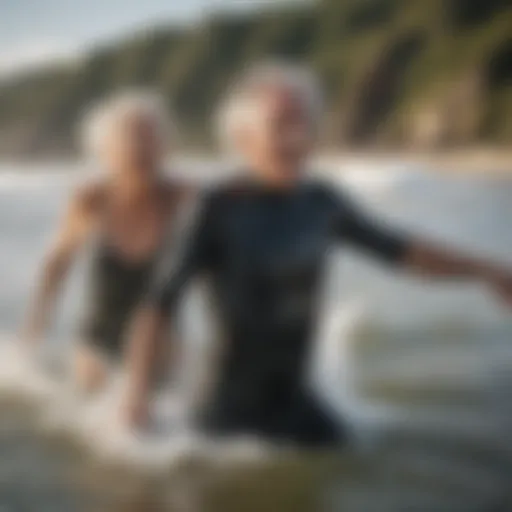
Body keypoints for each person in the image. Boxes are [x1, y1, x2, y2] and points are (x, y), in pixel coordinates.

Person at [121, 63, 512, 447]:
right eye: (280, 125)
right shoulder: (214, 208)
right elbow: (158, 303)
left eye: (303, 123)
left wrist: (484, 269)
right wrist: (137, 395)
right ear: (243, 139)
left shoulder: (322, 203)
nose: (295, 137)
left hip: (297, 407)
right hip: (226, 417)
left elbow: (402, 251)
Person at [21, 91, 190, 392]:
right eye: (130, 137)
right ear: (105, 149)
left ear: (165, 145)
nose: (140, 147)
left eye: (150, 136)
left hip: (163, 344)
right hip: (98, 339)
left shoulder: (182, 199)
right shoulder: (91, 200)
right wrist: (35, 328)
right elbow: (57, 263)